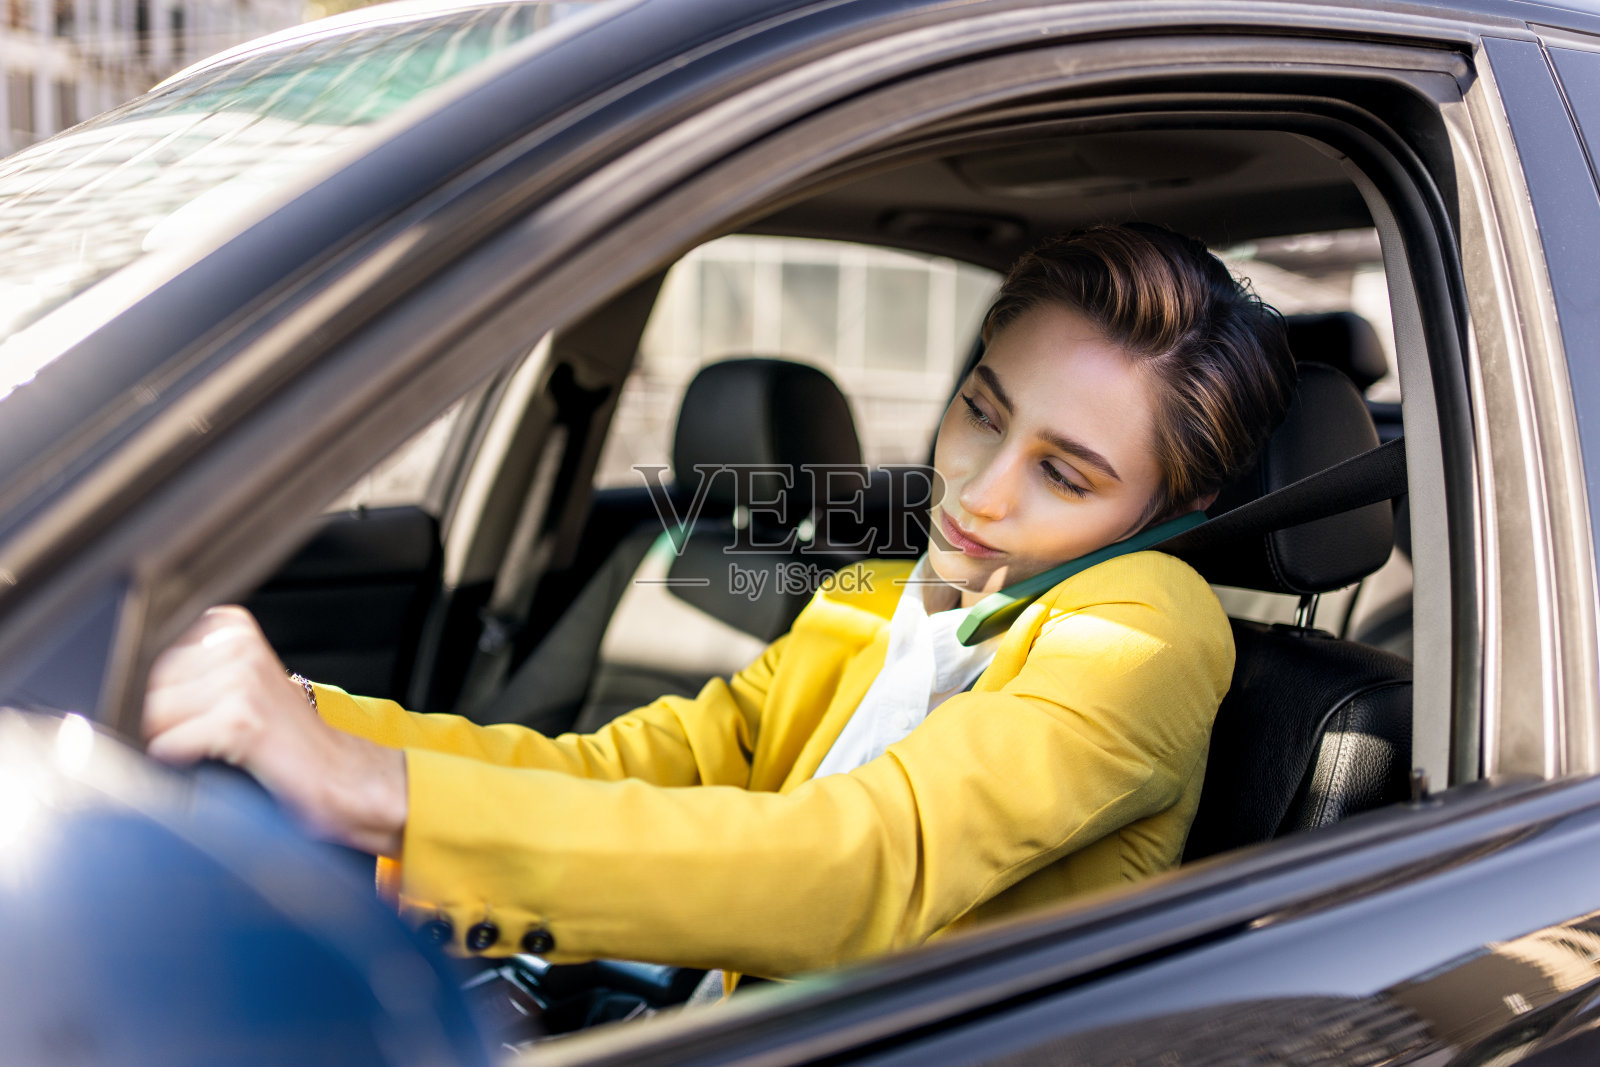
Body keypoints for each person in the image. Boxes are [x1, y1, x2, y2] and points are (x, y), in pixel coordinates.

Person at [142, 224, 1297, 985]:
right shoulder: (872, 594)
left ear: (1171, 502)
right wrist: (303, 717)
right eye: (982, 412)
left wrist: (374, 793)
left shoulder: (1145, 622)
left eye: (1065, 473)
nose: (979, 489)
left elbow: (863, 866)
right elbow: (627, 766)